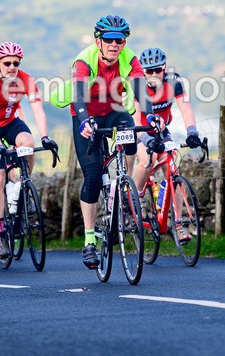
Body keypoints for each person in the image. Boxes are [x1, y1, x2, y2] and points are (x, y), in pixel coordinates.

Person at [49, 15, 158, 269]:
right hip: (85, 114)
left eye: (120, 39)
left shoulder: (128, 58)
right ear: (98, 40)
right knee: (93, 176)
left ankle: (123, 184)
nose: (114, 44)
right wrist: (86, 122)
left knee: (130, 135)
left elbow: (140, 89)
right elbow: (78, 96)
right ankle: (89, 242)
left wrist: (151, 115)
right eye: (109, 39)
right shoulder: (83, 60)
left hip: (112, 109)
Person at [0, 41, 57, 260]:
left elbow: (38, 109)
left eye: (16, 63)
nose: (12, 66)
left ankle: (22, 184)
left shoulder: (26, 80)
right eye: (7, 63)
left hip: (11, 122)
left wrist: (45, 136)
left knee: (28, 143)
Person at [131, 47, 202, 243]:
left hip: (161, 131)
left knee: (173, 168)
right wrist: (147, 139)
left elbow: (185, 109)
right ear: (143, 72)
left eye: (157, 70)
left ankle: (178, 223)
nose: (153, 75)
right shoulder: (137, 85)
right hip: (140, 131)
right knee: (148, 158)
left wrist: (192, 131)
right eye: (149, 71)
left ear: (164, 68)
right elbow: (136, 119)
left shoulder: (174, 82)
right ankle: (135, 201)